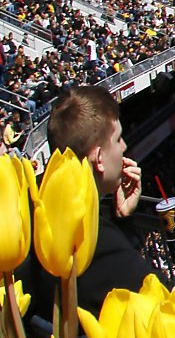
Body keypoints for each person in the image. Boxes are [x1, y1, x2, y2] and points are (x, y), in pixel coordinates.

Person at [27, 85, 167, 318]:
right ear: (99, 158)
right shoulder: (89, 238)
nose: (124, 146)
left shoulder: (37, 202)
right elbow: (162, 298)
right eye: (118, 138)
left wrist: (122, 217)